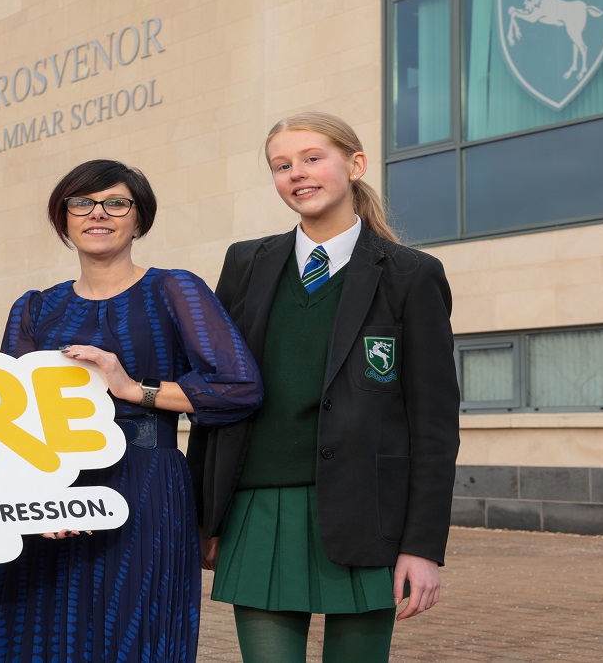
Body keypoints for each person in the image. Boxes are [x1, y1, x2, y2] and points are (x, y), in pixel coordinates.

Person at [189, 111, 461, 662]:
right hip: (257, 507)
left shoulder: (411, 274)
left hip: (367, 513)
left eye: (313, 158)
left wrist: (422, 547)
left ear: (355, 164)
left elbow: (434, 425)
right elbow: (216, 393)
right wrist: (204, 517)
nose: (297, 174)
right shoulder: (245, 263)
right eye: (281, 165)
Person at [0, 159, 263, 663]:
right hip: (52, 494)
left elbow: (238, 387)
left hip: (146, 488)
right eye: (81, 203)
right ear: (63, 217)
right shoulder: (34, 308)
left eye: (116, 203)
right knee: (39, 641)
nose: (97, 214)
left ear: (139, 217)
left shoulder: (174, 289)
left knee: (133, 639)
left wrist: (133, 389)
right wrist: (31, 499)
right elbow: (7, 418)